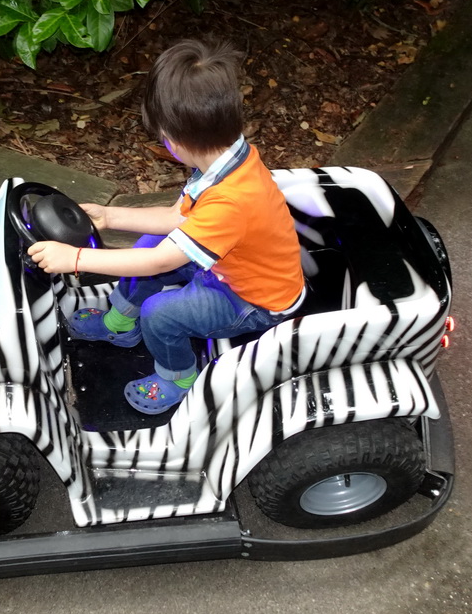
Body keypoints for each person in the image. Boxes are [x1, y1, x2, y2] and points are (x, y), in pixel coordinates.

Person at [28, 39, 304, 414]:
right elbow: (176, 220)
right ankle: (120, 323)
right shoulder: (226, 157)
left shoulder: (232, 200)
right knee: (149, 242)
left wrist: (76, 258)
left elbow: (159, 263)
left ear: (173, 141)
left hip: (254, 301)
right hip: (230, 265)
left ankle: (179, 377)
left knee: (160, 312)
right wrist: (111, 217)